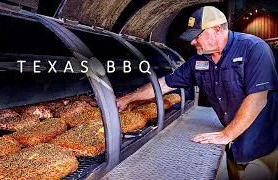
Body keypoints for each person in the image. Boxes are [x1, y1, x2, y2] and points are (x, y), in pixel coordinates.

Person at [117, 6, 278, 180]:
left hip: (261, 144)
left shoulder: (254, 48)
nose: (192, 42)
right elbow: (164, 84)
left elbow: (258, 98)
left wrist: (227, 135)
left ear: (216, 30)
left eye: (196, 36)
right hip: (233, 146)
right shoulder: (197, 62)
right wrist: (127, 98)